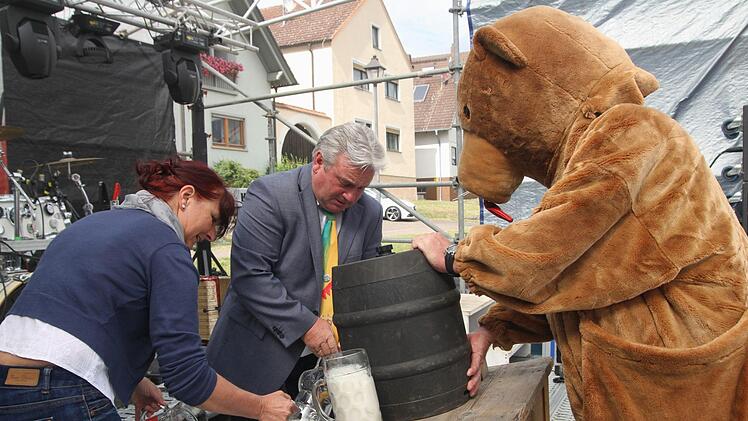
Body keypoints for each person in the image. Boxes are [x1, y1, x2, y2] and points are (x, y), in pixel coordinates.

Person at [413, 6, 747, 421]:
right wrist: (492, 329)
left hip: (682, 390)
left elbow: (546, 255)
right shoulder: (591, 158)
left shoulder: (631, 131)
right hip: (643, 388)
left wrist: (454, 256)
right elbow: (582, 274)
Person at [0, 158, 296, 421]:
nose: (209, 235)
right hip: (65, 385)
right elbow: (187, 377)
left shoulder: (87, 225)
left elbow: (79, 316)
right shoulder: (167, 248)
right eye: (214, 219)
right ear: (187, 196)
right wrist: (260, 407)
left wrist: (131, 380)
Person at [206, 122, 386, 416]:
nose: (352, 197)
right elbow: (251, 276)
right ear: (318, 162)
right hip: (256, 362)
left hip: (324, 366)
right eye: (345, 183)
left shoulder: (369, 212)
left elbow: (363, 283)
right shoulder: (270, 195)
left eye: (361, 188)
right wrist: (307, 326)